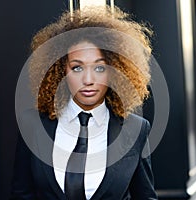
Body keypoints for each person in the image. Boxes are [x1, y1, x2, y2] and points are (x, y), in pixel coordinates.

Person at [11, 5, 158, 200]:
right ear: (60, 71)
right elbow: (21, 195)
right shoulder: (33, 125)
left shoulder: (136, 130)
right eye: (77, 68)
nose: (88, 79)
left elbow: (145, 197)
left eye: (99, 68)